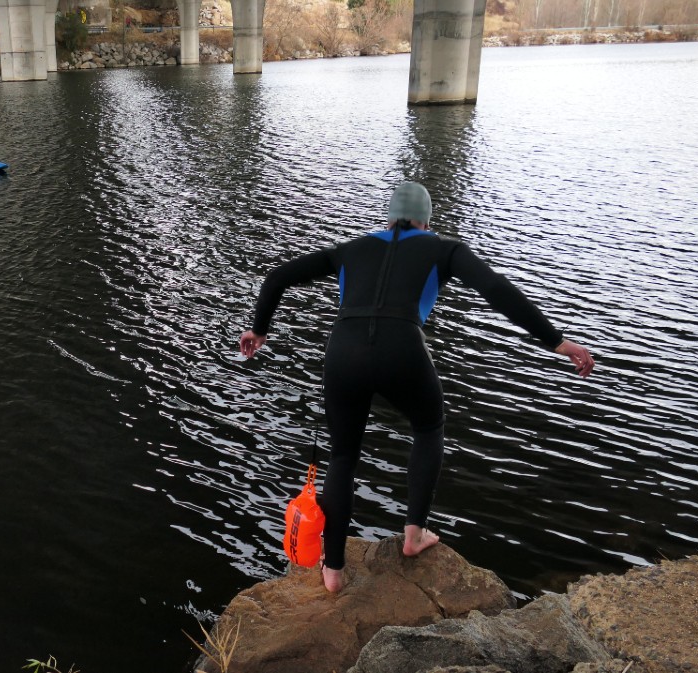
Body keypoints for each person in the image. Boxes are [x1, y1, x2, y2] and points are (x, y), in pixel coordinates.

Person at [238, 182, 595, 593]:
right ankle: (414, 535)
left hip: (344, 350)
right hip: (401, 347)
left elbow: (278, 276)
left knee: (343, 455)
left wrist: (259, 329)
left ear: (388, 217)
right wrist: (557, 341)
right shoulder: (444, 248)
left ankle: (333, 570)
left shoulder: (350, 249)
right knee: (428, 427)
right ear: (426, 220)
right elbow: (496, 289)